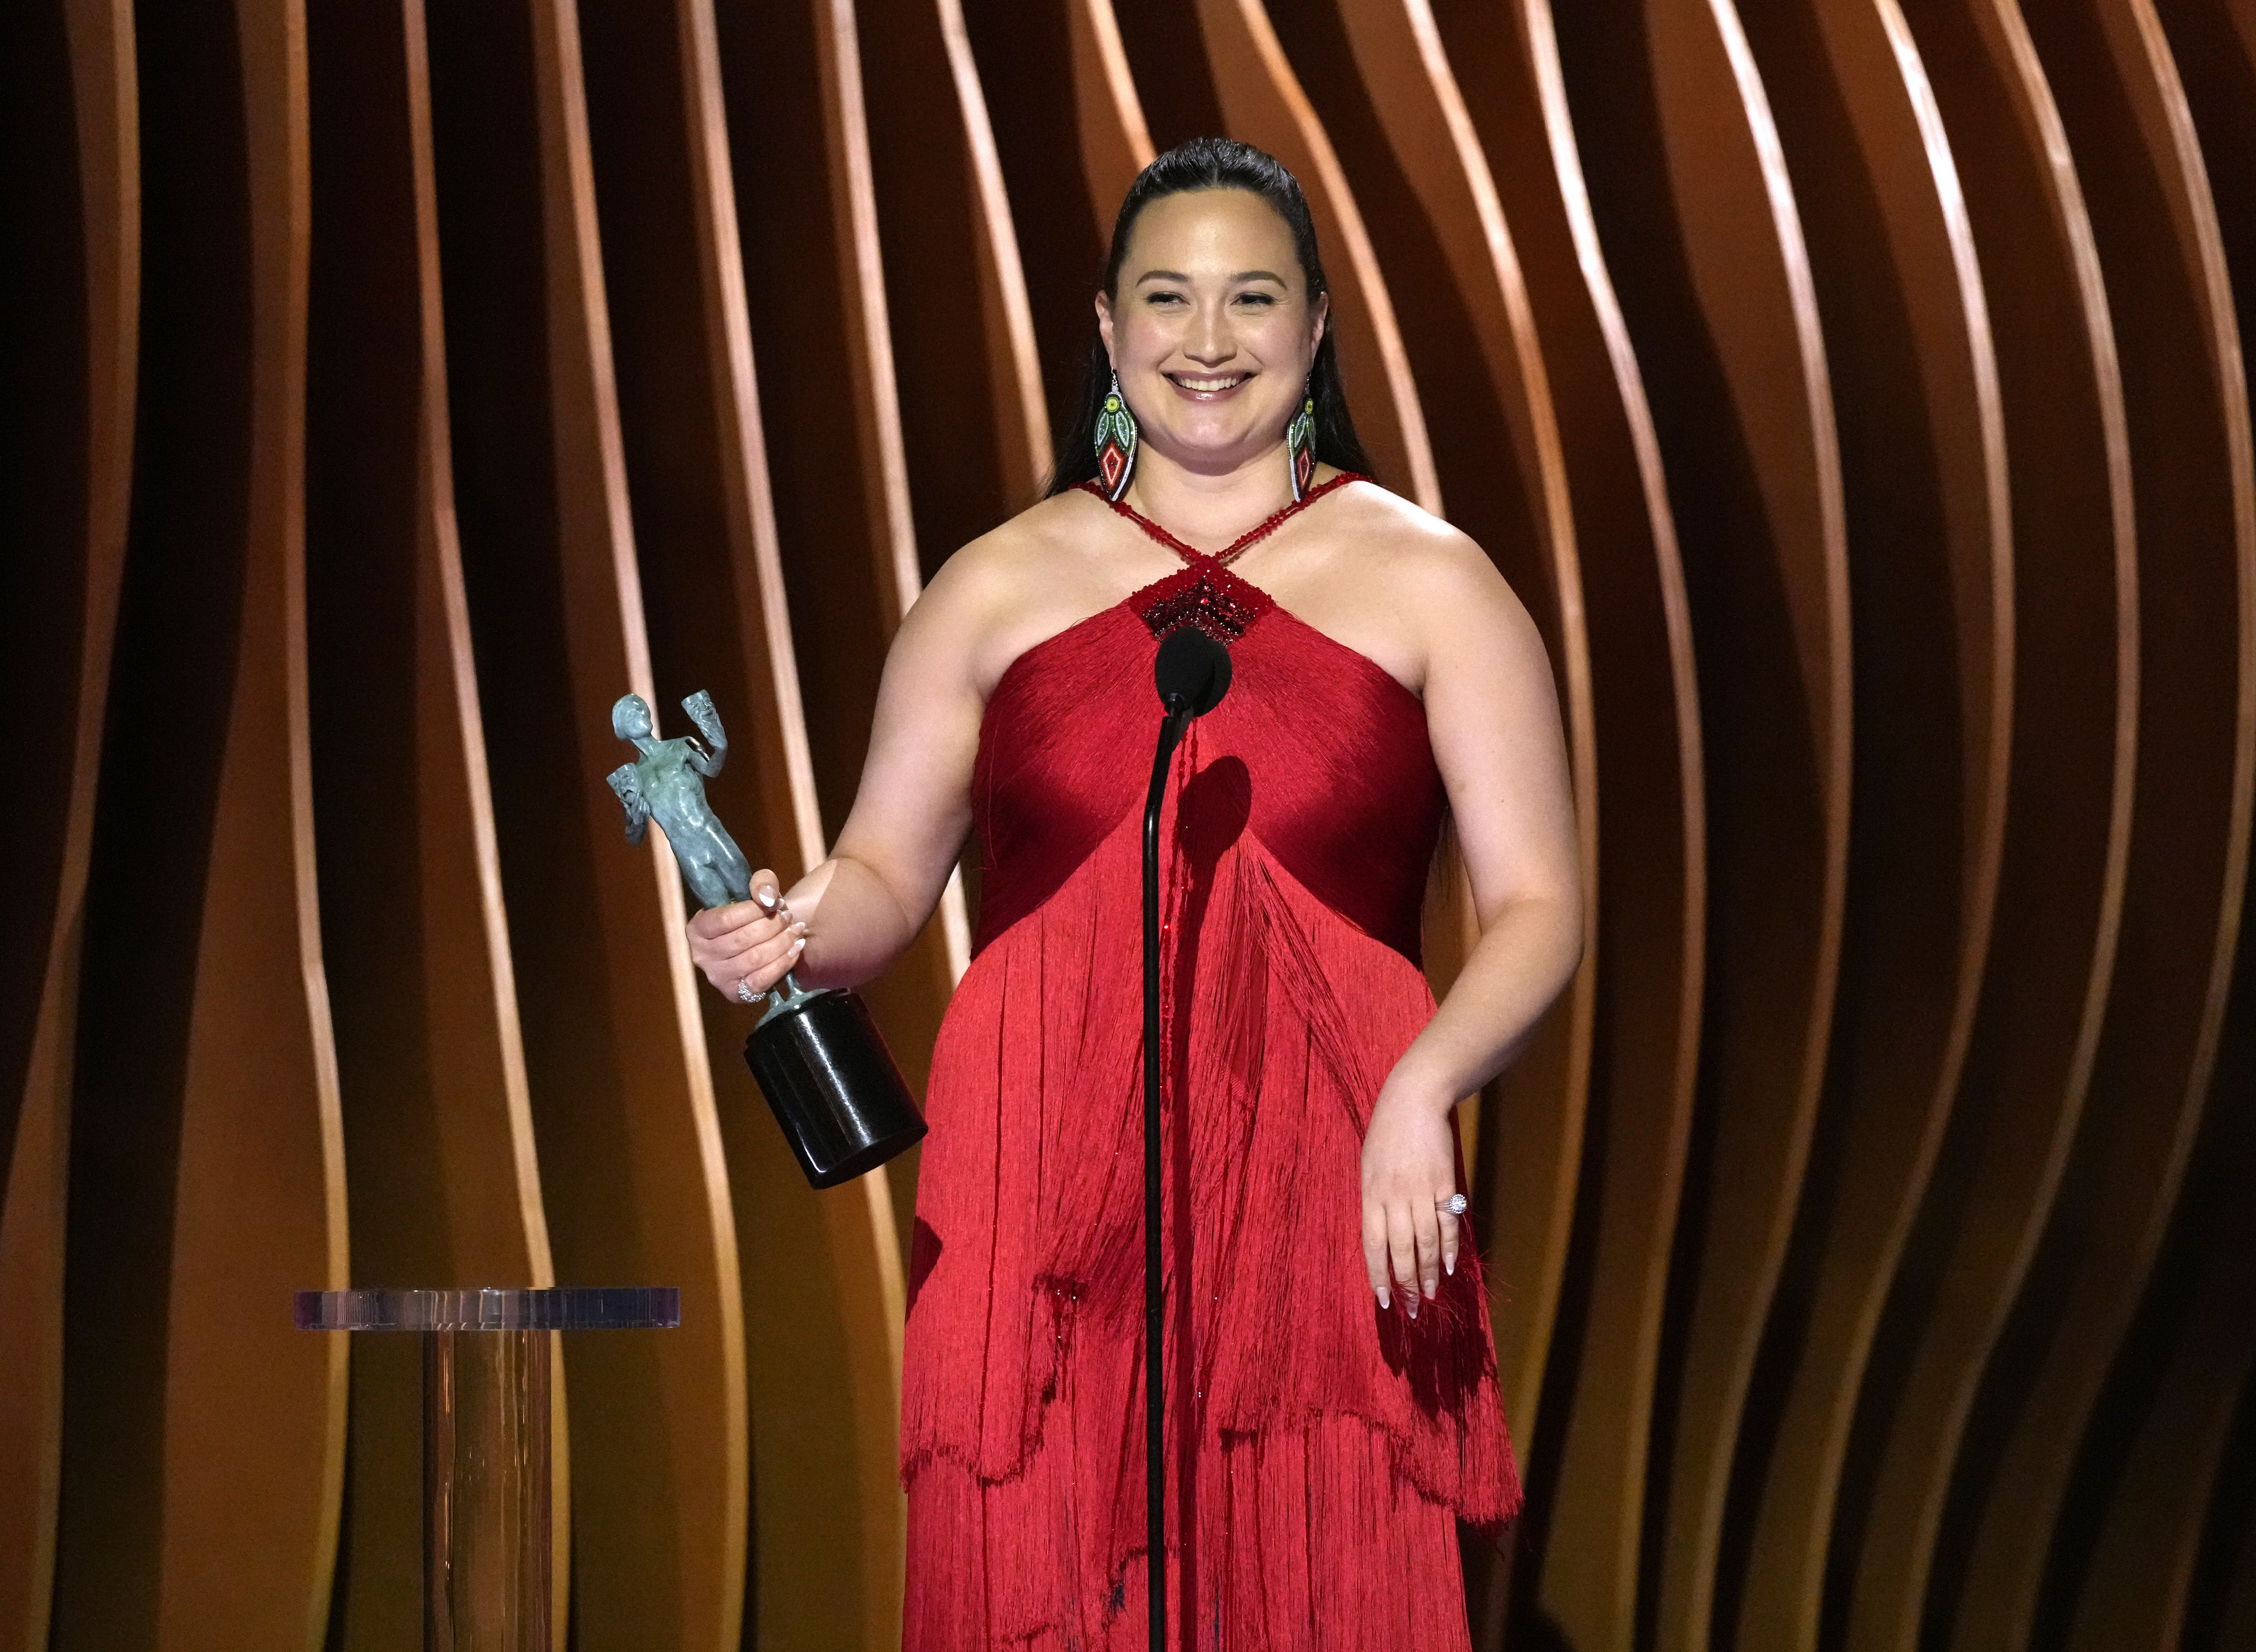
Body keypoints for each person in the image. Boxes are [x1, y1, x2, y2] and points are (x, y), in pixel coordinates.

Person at [687, 137, 1582, 1650]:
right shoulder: (995, 584)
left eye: (1252, 298)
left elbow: (1542, 904)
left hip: (1332, 1196)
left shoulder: (1437, 583)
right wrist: (790, 929)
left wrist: (1425, 1088)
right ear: (1106, 329)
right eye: (1169, 300)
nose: (1210, 341)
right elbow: (887, 874)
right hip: (1040, 1201)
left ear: (1314, 328)